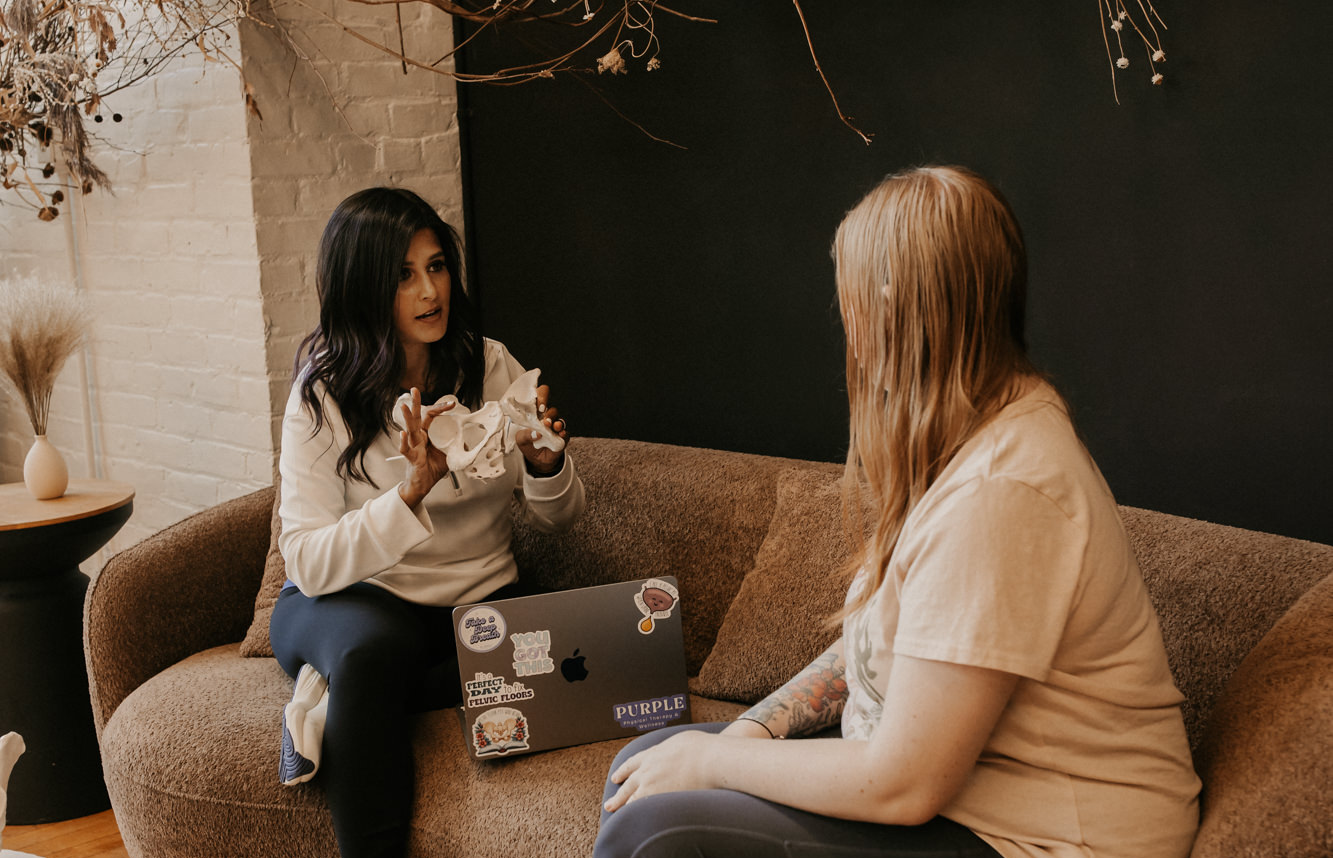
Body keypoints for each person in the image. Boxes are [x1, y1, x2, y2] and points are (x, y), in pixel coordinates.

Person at [594, 166, 1201, 858]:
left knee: (657, 829)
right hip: (965, 798)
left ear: (894, 305)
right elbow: (890, 646)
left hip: (1047, 839)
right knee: (649, 764)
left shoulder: (998, 491)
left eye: (849, 301)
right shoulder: (972, 433)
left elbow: (904, 784)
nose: (845, 327)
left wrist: (713, 765)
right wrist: (750, 732)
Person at [270, 187, 586, 858]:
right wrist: (410, 493)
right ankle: (354, 687)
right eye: (404, 275)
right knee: (368, 654)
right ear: (362, 287)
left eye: (436, 266)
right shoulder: (322, 395)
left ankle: (350, 697)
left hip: (473, 601)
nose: (429, 291)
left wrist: (545, 465)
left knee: (588, 640)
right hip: (353, 601)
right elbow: (308, 561)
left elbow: (559, 521)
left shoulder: (489, 365)